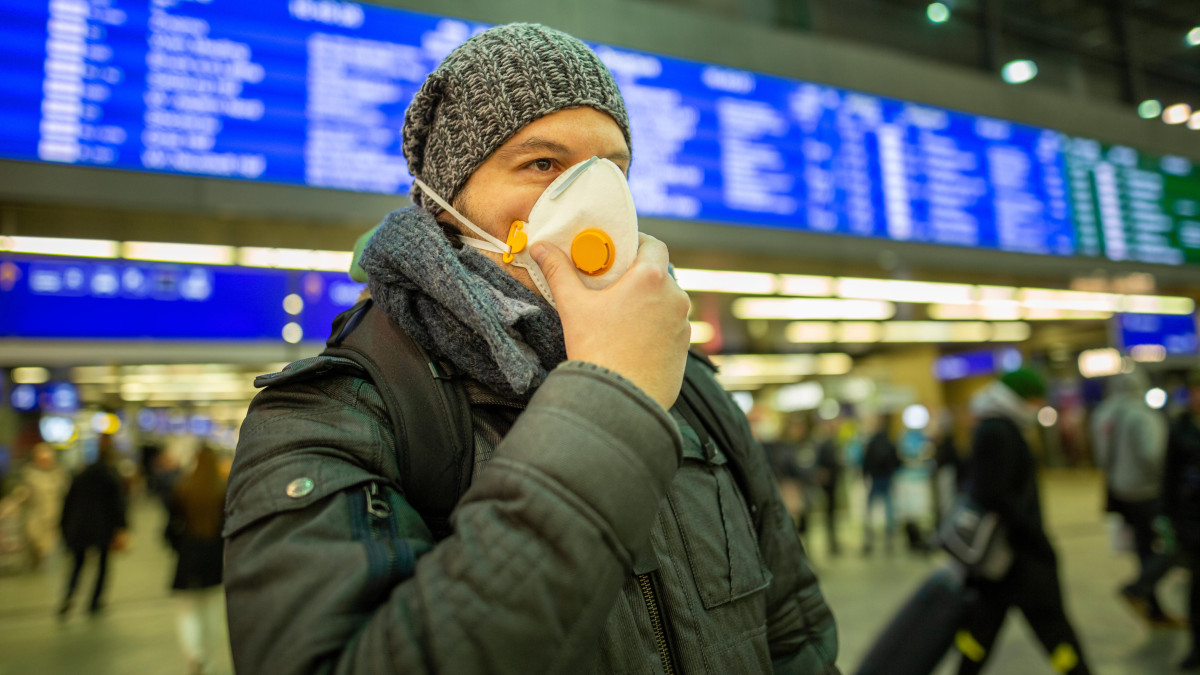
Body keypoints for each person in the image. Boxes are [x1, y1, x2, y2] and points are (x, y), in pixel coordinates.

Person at [222, 23, 838, 675]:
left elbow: (796, 633)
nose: (593, 201)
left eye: (612, 171)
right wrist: (610, 398)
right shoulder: (334, 417)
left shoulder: (692, 387)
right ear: (445, 204)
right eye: (542, 163)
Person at [954, 370, 1091, 675]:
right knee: (1052, 629)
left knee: (983, 631)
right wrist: (1035, 538)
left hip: (1002, 561)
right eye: (1036, 398)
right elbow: (994, 494)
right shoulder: (998, 431)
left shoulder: (999, 427)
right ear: (1021, 397)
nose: (1039, 405)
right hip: (1016, 555)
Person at [1090, 368, 1174, 624]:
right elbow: (1153, 456)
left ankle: (1152, 605)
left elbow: (1101, 457)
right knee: (1173, 545)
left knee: (1143, 546)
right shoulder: (1143, 415)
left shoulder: (1102, 415)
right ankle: (1141, 590)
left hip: (1120, 491)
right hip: (1148, 492)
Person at [167, 446, 227, 675]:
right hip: (213, 556)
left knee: (187, 609)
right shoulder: (222, 490)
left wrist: (178, 546)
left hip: (188, 555)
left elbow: (170, 526)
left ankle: (195, 655)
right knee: (212, 608)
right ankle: (209, 658)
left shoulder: (182, 488)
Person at [59, 434, 127, 618]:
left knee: (77, 566)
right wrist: (122, 528)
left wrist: (64, 527)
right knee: (103, 565)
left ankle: (68, 598)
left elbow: (68, 503)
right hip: (102, 528)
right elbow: (118, 505)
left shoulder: (81, 475)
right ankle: (95, 602)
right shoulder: (110, 476)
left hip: (79, 527)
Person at [1163, 371, 1200, 670]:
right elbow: (1168, 476)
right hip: (1192, 520)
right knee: (1197, 589)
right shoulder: (1180, 428)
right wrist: (1169, 518)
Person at [22, 443, 67, 568]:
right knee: (35, 541)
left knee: (49, 545)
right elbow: (24, 494)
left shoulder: (58, 475)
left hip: (54, 517)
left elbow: (64, 493)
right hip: (36, 517)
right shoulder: (30, 475)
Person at [862, 414, 900, 555]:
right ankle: (889, 538)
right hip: (887, 479)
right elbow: (896, 461)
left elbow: (865, 461)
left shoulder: (871, 442)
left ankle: (869, 538)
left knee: (870, 509)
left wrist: (865, 475)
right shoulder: (890, 442)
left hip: (875, 479)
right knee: (889, 509)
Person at [814, 417, 843, 555]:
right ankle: (831, 542)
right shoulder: (825, 444)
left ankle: (833, 541)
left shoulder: (833, 443)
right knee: (829, 513)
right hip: (828, 484)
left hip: (834, 483)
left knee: (831, 513)